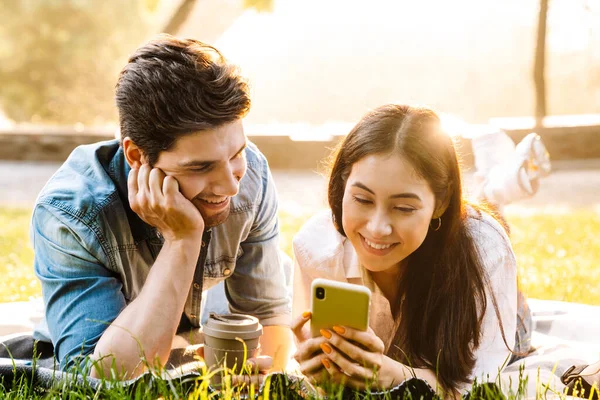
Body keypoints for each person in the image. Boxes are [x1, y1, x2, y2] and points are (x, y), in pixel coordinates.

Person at [27, 35, 293, 379]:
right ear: (137, 157)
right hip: (128, 339)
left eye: (236, 153)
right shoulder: (70, 213)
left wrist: (259, 374)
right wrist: (183, 240)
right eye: (201, 167)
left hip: (200, 325)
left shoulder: (251, 173)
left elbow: (268, 323)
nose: (231, 185)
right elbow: (101, 379)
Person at [291, 104, 518, 397]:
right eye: (362, 199)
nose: (377, 228)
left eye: (403, 208)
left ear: (440, 202)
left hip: (505, 319)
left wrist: (394, 375)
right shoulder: (316, 249)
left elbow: (481, 387)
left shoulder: (486, 250)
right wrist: (318, 371)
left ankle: (493, 186)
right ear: (342, 185)